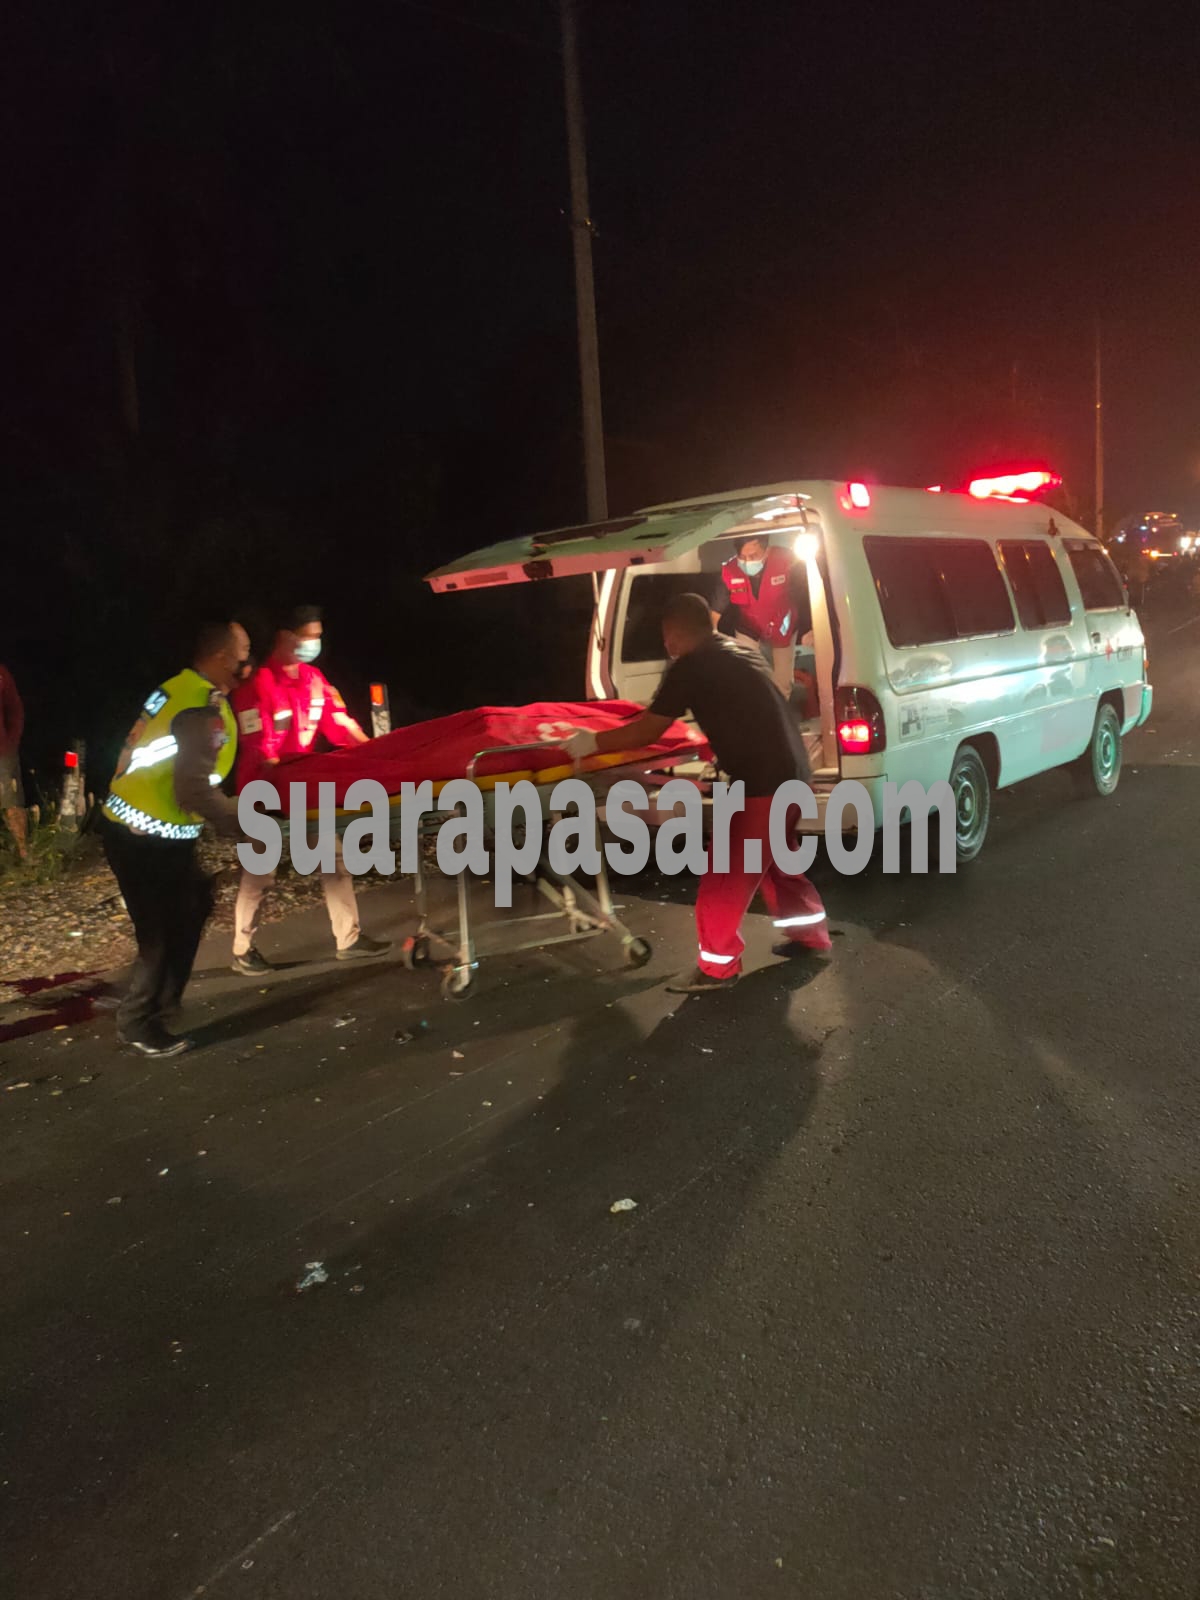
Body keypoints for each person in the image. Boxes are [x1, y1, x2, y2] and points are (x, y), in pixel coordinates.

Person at [550, 593, 830, 993]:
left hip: (763, 784)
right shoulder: (737, 652)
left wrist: (592, 743)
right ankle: (810, 934)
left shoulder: (692, 665)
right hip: (794, 774)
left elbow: (649, 728)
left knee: (727, 872)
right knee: (777, 862)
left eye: (667, 640)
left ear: (672, 636)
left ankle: (717, 968)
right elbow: (745, 709)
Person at [101, 622, 249, 1056]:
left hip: (142, 827)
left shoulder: (177, 688)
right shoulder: (201, 708)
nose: (247, 660)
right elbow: (193, 788)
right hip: (147, 835)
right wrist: (242, 825)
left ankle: (152, 1002)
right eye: (244, 650)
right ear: (222, 656)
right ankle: (138, 1020)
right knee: (161, 930)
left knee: (191, 906)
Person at [229, 604, 391, 973]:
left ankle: (348, 939)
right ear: (286, 637)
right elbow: (260, 751)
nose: (316, 643)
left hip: (303, 788)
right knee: (259, 874)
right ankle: (242, 948)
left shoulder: (315, 680)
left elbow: (340, 724)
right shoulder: (255, 687)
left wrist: (374, 754)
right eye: (311, 636)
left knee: (334, 862)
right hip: (263, 793)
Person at [711, 536, 809, 697]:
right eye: (743, 557)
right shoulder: (729, 571)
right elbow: (715, 610)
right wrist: (710, 637)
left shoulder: (788, 561)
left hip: (783, 626)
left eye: (753, 556)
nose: (748, 561)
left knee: (783, 680)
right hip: (748, 628)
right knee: (748, 675)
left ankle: (779, 713)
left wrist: (808, 629)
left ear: (767, 551)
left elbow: (806, 595)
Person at [0, 658, 28, 860]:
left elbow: (14, 707)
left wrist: (11, 740)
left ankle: (23, 853)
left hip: (3, 751)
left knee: (12, 802)